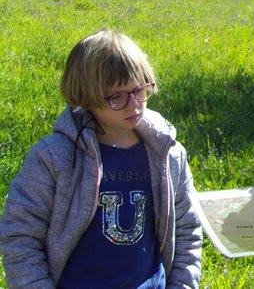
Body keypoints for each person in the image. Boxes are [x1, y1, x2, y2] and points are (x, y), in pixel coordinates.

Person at [0, 29, 202, 288]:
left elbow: (187, 230)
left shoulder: (168, 153)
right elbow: (20, 235)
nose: (134, 104)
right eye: (116, 96)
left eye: (140, 89)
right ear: (85, 97)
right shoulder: (53, 157)